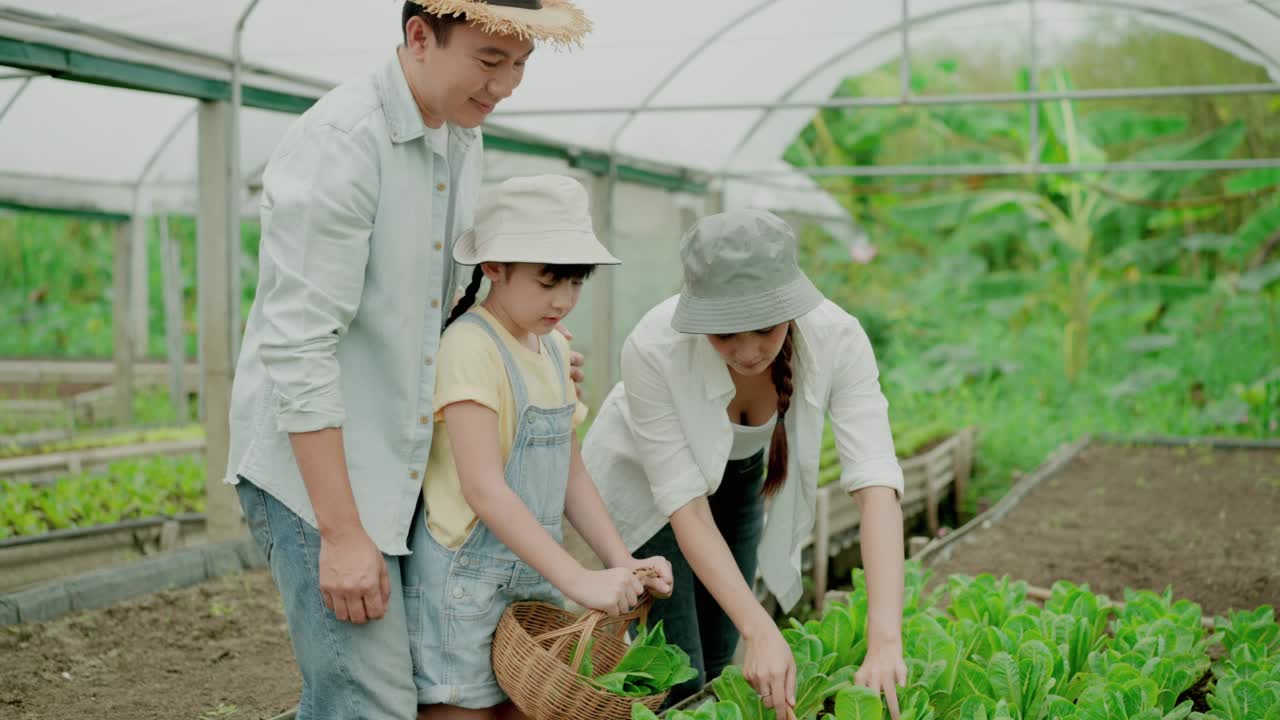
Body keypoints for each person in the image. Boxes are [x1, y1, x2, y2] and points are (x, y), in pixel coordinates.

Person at [225, 3, 591, 718]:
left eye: (520, 66)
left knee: (401, 694)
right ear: (419, 36)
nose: (507, 85)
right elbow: (298, 347)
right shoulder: (344, 141)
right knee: (370, 701)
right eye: (490, 62)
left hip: (398, 461)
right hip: (318, 474)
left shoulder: (459, 135)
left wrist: (527, 353)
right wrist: (340, 533)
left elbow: (438, 308)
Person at [582, 209, 909, 718]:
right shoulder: (654, 346)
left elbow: (876, 485)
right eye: (724, 334)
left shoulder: (837, 339)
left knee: (722, 650)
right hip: (647, 485)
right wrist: (763, 630)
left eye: (763, 327)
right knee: (679, 666)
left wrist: (885, 638)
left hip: (739, 476)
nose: (748, 351)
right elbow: (685, 507)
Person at [406, 175, 673, 719]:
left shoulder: (552, 348)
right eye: (550, 281)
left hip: (532, 583)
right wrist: (577, 579)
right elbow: (483, 488)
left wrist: (622, 562)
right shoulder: (469, 347)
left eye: (576, 282)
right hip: (464, 593)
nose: (565, 300)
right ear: (494, 268)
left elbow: (572, 474)